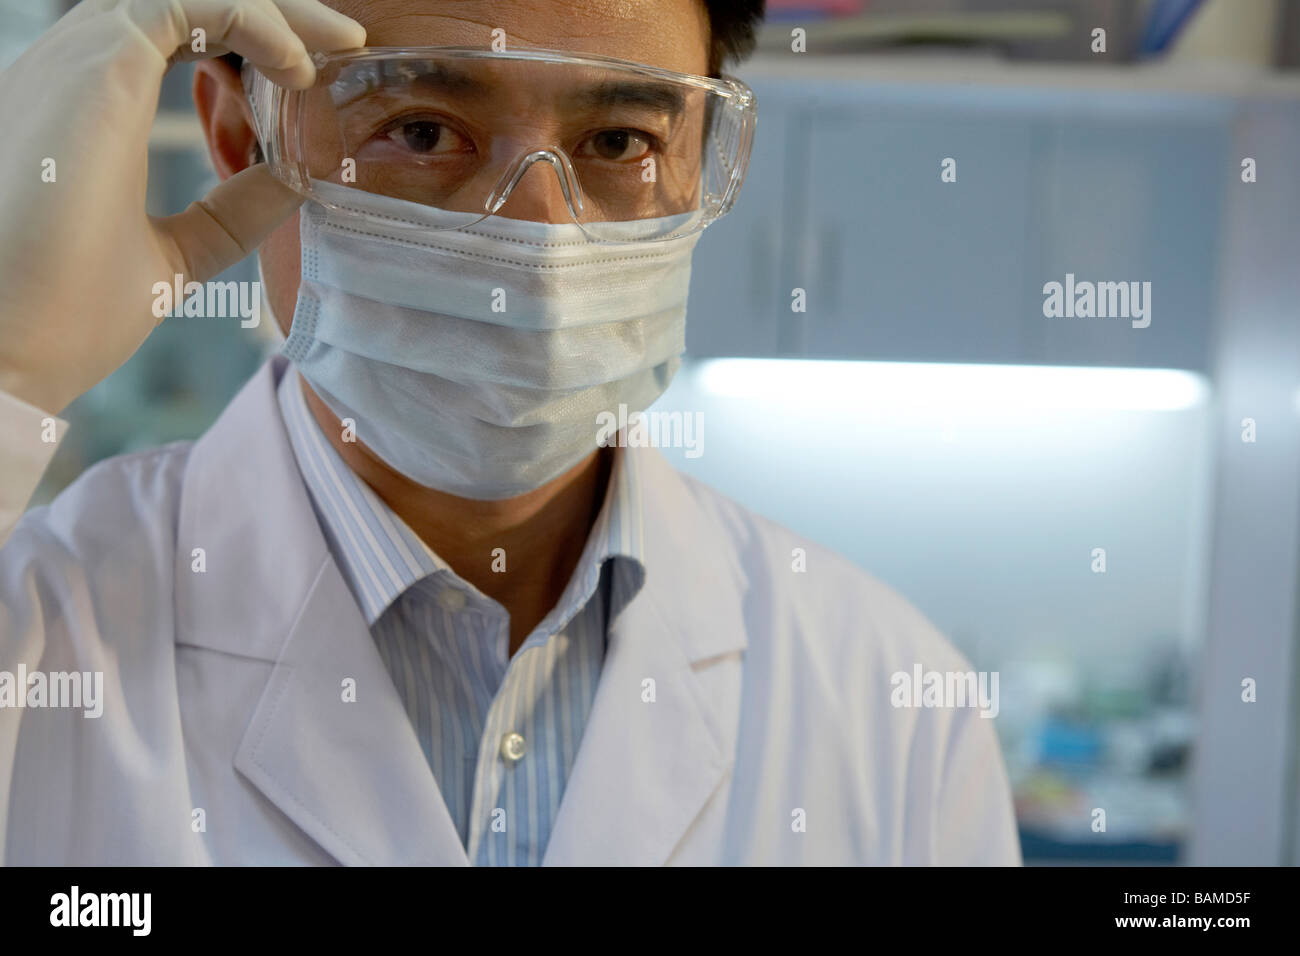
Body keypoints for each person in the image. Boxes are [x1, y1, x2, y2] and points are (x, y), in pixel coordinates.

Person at [0, 0, 1019, 865]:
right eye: (423, 128)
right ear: (242, 137)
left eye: (618, 142)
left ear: (698, 159)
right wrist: (7, 364)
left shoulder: (892, 704)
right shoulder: (37, 631)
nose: (533, 237)